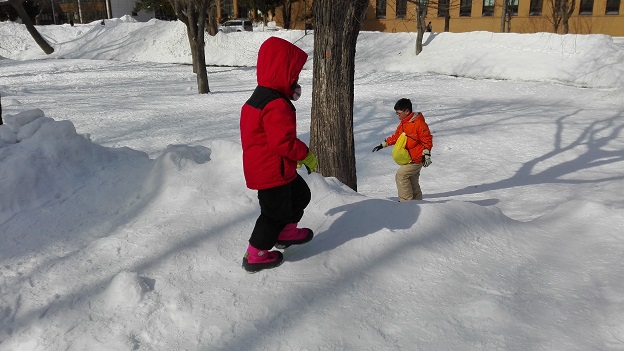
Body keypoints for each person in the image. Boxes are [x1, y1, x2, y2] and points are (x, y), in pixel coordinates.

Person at [239, 37, 317, 273]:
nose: (296, 80)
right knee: (273, 214)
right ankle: (256, 254)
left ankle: (286, 233)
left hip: (277, 169)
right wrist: (305, 154)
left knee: (301, 194)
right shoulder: (275, 104)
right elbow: (282, 142)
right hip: (271, 172)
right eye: (293, 74)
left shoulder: (261, 97)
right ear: (282, 71)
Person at [372, 98, 433, 202]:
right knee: (412, 180)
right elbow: (397, 137)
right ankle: (418, 202)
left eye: (399, 113)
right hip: (409, 158)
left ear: (407, 111)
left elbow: (427, 139)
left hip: (417, 158)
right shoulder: (403, 123)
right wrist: (384, 144)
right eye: (396, 113)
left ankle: (406, 202)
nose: (397, 116)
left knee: (401, 175)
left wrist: (426, 154)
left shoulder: (419, 123)